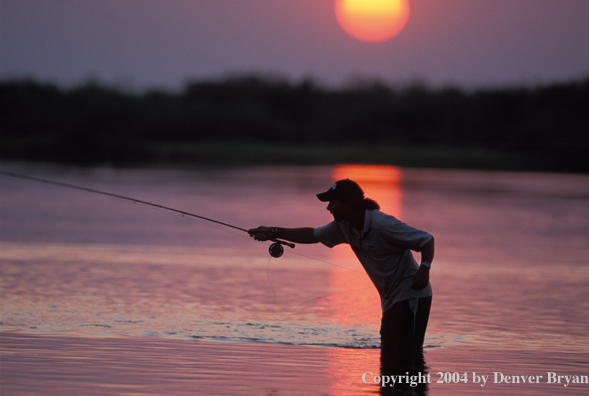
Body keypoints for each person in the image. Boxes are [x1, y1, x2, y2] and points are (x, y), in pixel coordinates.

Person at [248, 179, 435, 353]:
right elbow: (311, 235)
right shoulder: (343, 226)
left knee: (408, 355)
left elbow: (426, 240)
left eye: (332, 202)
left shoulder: (382, 224)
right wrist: (272, 231)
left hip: (411, 293)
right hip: (390, 300)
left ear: (348, 204)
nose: (328, 207)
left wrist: (424, 269)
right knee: (389, 355)